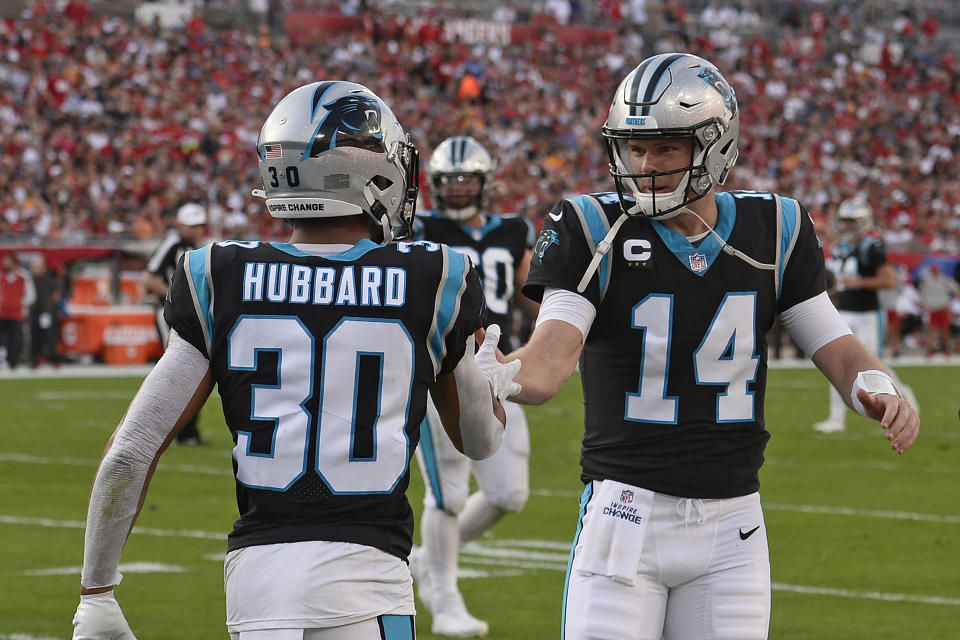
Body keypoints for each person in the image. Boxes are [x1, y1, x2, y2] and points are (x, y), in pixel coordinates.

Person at [476, 53, 919, 640]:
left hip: (734, 526)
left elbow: (837, 347)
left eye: (665, 148)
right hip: (625, 516)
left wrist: (878, 387)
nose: (645, 165)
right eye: (634, 147)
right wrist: (502, 374)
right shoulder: (591, 225)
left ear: (715, 144)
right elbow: (552, 355)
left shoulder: (776, 226)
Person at [71, 81, 518, 640]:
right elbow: (479, 440)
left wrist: (96, 593)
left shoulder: (219, 275)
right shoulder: (433, 277)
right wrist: (490, 379)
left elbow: (129, 453)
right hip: (367, 574)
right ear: (369, 173)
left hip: (256, 581)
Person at [411, 136, 539, 637]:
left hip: (498, 368)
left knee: (509, 494)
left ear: (485, 183)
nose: (459, 189)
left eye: (467, 179)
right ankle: (444, 598)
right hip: (444, 369)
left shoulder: (512, 231)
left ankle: (426, 560)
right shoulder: (420, 229)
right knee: (447, 495)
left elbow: (534, 295)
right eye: (450, 181)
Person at [813, 199, 916, 433]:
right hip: (842, 312)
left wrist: (858, 282)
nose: (847, 226)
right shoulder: (841, 247)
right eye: (845, 222)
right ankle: (836, 420)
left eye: (852, 222)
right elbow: (840, 280)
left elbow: (889, 280)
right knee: (836, 362)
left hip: (867, 314)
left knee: (873, 368)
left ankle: (903, 393)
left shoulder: (872, 247)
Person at [141, 201, 210, 445]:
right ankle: (182, 431)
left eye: (201, 225)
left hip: (185, 315)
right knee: (179, 370)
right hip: (168, 315)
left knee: (190, 370)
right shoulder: (172, 244)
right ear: (181, 225)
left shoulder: (195, 247)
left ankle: (187, 431)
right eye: (194, 225)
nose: (199, 229)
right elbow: (148, 278)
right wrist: (174, 296)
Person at [0, 253, 36, 370]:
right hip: (2, 313)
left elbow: (31, 296)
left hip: (17, 314)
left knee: (15, 339)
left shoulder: (24, 277)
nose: (5, 263)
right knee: (2, 338)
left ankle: (13, 362)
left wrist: (20, 303)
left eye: (7, 261)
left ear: (15, 263)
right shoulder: (2, 277)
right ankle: (3, 360)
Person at [28, 256, 62, 368]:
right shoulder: (29, 281)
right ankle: (35, 359)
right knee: (35, 337)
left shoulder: (49, 280)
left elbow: (56, 296)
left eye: (38, 267)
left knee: (50, 337)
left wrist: (49, 309)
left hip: (47, 313)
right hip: (34, 312)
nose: (36, 270)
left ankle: (54, 359)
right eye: (34, 268)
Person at [918, 263, 958, 356]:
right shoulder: (927, 281)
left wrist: (951, 304)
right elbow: (921, 293)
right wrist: (925, 303)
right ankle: (931, 349)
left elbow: (956, 290)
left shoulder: (945, 280)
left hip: (943, 307)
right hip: (933, 308)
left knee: (945, 329)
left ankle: (947, 348)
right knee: (933, 329)